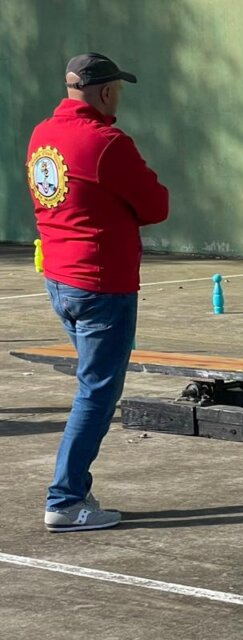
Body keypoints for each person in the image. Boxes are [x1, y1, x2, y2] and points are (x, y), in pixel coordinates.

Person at [27, 53, 169, 532]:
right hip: (101, 285)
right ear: (106, 92)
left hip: (60, 281)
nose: (119, 98)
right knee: (97, 394)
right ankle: (65, 500)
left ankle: (75, 492)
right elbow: (156, 205)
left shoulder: (42, 135)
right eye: (118, 90)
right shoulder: (108, 143)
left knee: (92, 387)